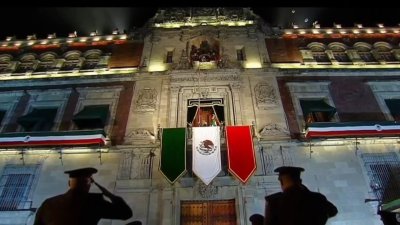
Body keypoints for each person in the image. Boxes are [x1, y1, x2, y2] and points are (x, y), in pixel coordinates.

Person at [33, 167, 133, 225]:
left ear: (69, 183)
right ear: (88, 183)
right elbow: (125, 214)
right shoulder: (93, 202)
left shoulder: (48, 203)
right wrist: (109, 194)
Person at [264, 166, 338, 225]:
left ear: (281, 182)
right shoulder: (317, 198)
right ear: (300, 181)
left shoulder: (274, 201)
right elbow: (333, 211)